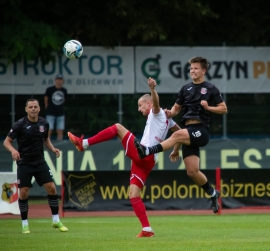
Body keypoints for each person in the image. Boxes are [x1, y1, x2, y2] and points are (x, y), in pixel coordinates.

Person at [67, 77, 181, 238]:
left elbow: (156, 103)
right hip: (148, 161)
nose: (139, 109)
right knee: (133, 194)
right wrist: (176, 149)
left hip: (144, 153)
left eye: (140, 105)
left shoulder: (158, 113)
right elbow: (179, 133)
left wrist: (153, 90)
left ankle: (83, 143)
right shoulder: (168, 119)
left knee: (118, 127)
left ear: (148, 104)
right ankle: (147, 229)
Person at [134, 56, 228, 214]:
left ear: (204, 71)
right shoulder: (185, 89)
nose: (192, 70)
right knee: (192, 172)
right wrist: (171, 112)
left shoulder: (211, 89)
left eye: (196, 68)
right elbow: (176, 109)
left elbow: (223, 109)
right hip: (188, 132)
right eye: (191, 68)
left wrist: (208, 107)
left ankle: (148, 151)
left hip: (201, 130)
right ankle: (213, 193)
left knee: (177, 135)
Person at [3, 99, 68, 234]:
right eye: (30, 107)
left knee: (51, 188)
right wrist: (14, 151)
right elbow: (7, 142)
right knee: (24, 192)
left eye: (35, 107)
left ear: (39, 109)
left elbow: (45, 139)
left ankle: (56, 220)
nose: (33, 109)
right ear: (26, 109)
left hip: (40, 161)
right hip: (24, 162)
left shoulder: (44, 123)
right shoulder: (19, 124)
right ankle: (25, 224)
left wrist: (52, 149)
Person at [44, 74, 67, 141]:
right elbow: (46, 99)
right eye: (58, 80)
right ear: (55, 80)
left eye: (60, 80)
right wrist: (47, 106)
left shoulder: (64, 90)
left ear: (62, 81)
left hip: (60, 113)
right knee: (49, 130)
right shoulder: (49, 89)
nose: (59, 81)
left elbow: (64, 100)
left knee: (60, 130)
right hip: (50, 112)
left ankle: (60, 145)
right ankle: (48, 144)